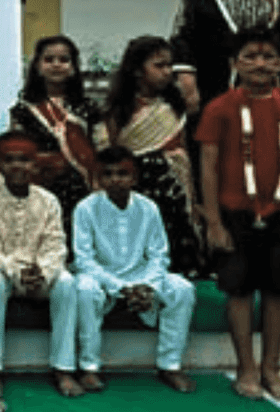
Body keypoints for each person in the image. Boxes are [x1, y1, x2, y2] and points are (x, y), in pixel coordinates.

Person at [200, 28, 280, 399]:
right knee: (238, 293)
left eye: (269, 57)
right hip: (235, 214)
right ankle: (246, 368)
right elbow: (207, 167)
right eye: (250, 57)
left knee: (278, 293)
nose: (260, 64)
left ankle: (272, 368)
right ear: (234, 64)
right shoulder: (220, 108)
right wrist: (213, 221)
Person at [72, 146, 198, 395]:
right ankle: (89, 367)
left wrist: (147, 286)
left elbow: (159, 255)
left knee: (182, 289)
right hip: (102, 277)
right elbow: (84, 260)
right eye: (108, 174)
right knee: (84, 289)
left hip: (142, 276)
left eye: (123, 173)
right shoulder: (86, 208)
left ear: (135, 177)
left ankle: (170, 365)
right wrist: (121, 288)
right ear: (99, 178)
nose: (116, 179)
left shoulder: (148, 208)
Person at [0, 131, 83, 401]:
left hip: (39, 276)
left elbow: (56, 245)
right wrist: (15, 270)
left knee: (68, 282)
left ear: (35, 164)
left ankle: (63, 368)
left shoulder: (48, 201)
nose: (17, 166)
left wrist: (44, 271)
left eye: (24, 160)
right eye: (9, 160)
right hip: (6, 275)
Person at [102, 36, 205, 279]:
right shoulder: (120, 109)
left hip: (176, 185)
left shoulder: (175, 104)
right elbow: (113, 151)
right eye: (159, 66)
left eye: (170, 65)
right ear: (137, 70)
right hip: (138, 186)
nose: (167, 72)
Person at [9, 35, 99, 247]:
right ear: (38, 66)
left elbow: (100, 151)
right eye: (49, 60)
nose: (56, 65)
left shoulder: (89, 109)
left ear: (74, 67)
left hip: (81, 188)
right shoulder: (23, 110)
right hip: (38, 188)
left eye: (64, 60)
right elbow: (16, 152)